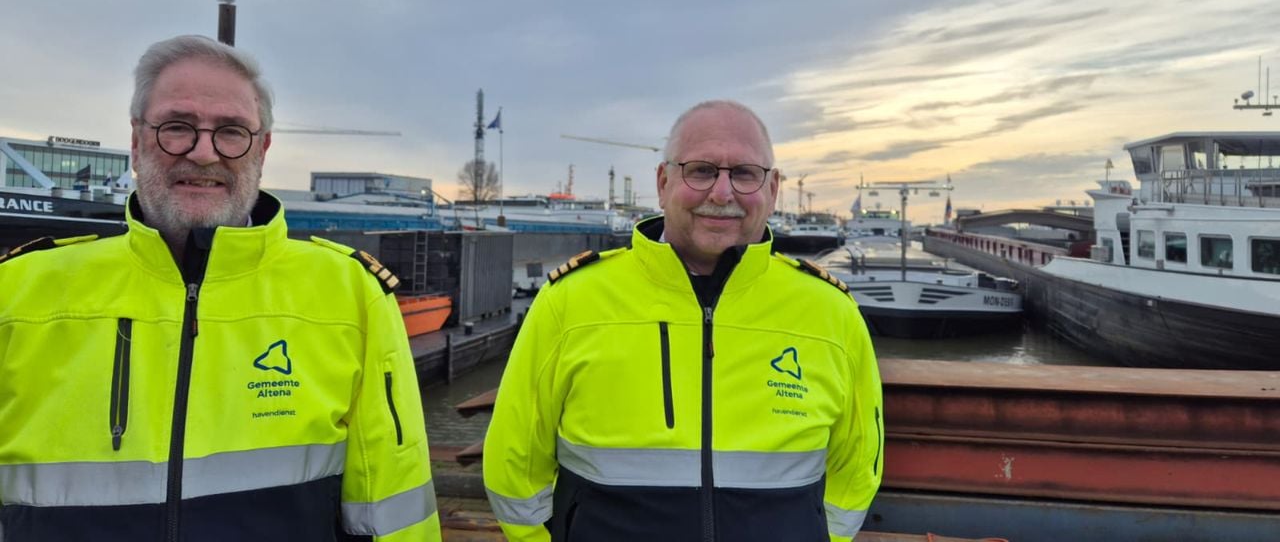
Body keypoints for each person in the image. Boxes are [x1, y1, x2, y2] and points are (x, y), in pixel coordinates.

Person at [0, 35, 440, 541]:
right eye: (177, 127)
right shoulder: (19, 294)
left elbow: (397, 507)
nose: (204, 153)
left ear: (263, 147)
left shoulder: (349, 295)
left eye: (231, 131)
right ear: (138, 141)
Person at [483, 100, 883, 542]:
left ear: (773, 190)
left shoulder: (830, 313)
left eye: (745, 173)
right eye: (701, 170)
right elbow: (514, 460)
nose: (722, 193)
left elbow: (858, 465)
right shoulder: (571, 303)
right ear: (663, 181)